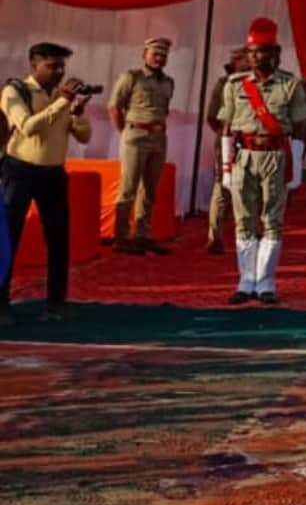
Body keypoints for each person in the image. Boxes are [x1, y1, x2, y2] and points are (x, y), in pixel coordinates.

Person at [217, 18, 306, 305]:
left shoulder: (290, 84)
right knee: (244, 219)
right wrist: (225, 166)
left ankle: (266, 282)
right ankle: (246, 281)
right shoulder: (235, 84)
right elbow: (226, 126)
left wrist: (296, 164)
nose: (259, 56)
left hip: (275, 156)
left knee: (272, 219)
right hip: (244, 155)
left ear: (276, 53)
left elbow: (300, 125)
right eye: (254, 51)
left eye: (265, 51)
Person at [1, 42, 93, 323]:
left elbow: (84, 137)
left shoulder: (62, 96)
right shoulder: (15, 91)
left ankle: (56, 302)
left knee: (58, 238)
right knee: (8, 238)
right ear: (34, 65)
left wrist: (77, 114)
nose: (59, 72)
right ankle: (1, 303)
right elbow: (27, 127)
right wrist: (62, 102)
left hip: (53, 173)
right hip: (20, 170)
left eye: (62, 66)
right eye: (52, 66)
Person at [108, 37, 176, 255]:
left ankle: (142, 235)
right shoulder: (131, 77)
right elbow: (114, 107)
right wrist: (126, 132)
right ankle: (120, 237)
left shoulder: (168, 82)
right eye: (155, 54)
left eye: (163, 55)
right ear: (144, 54)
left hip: (158, 136)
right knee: (128, 188)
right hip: (136, 133)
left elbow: (164, 109)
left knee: (150, 189)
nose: (159, 58)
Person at [203, 47, 250, 255]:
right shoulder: (224, 84)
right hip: (228, 140)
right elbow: (212, 116)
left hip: (252, 141)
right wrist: (225, 135)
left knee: (250, 188)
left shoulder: (261, 83)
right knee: (222, 186)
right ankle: (215, 237)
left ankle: (248, 235)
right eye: (240, 59)